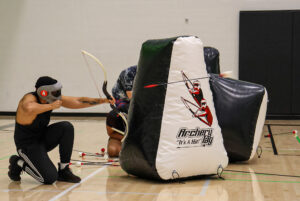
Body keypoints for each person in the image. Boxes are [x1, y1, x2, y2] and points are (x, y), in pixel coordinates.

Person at [8, 76, 114, 184]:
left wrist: (103, 100)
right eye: (55, 92)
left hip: (42, 138)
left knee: (66, 127)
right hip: (27, 146)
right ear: (44, 92)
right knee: (49, 178)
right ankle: (18, 162)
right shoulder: (29, 99)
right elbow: (28, 108)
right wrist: (51, 106)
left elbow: (78, 101)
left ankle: (64, 170)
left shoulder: (51, 99)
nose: (58, 94)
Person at [106, 65, 137, 157]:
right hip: (123, 100)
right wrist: (128, 138)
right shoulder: (115, 114)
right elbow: (111, 132)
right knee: (113, 151)